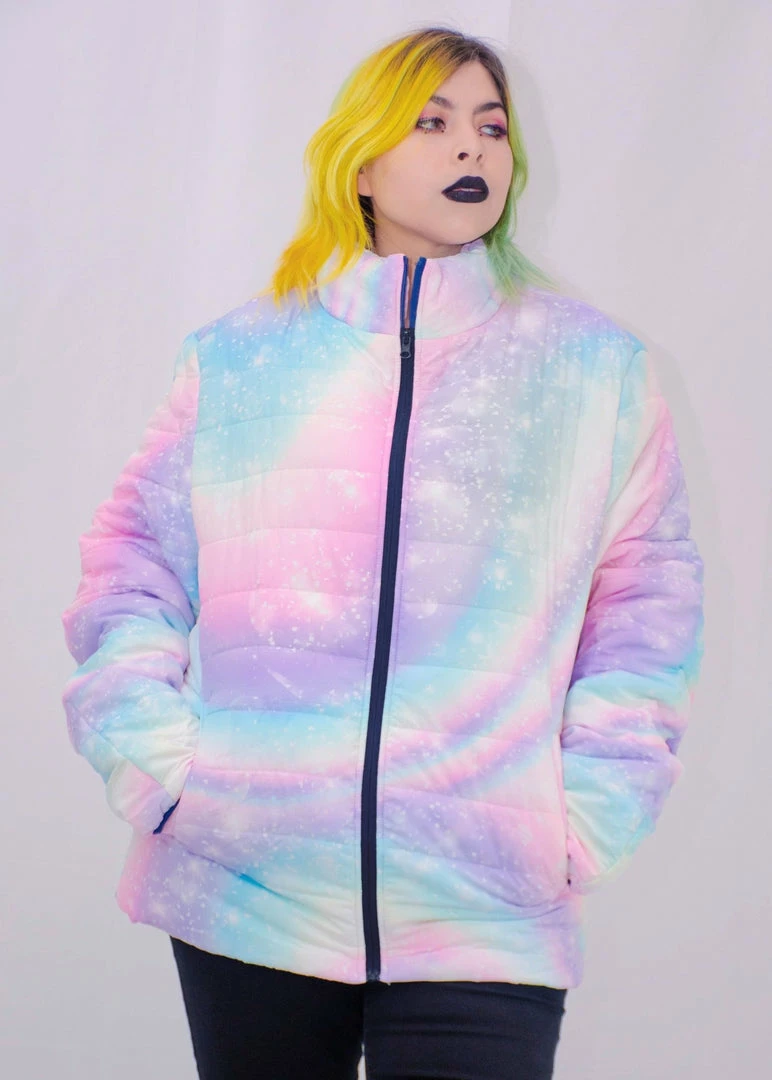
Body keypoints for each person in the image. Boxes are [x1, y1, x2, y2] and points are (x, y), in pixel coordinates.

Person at [60, 25, 705, 1080]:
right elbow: (130, 568)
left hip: (483, 907)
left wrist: (586, 817)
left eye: (491, 126)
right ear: (359, 162)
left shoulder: (592, 371)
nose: (472, 148)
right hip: (250, 888)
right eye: (432, 122)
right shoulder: (241, 359)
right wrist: (168, 774)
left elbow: (647, 606)